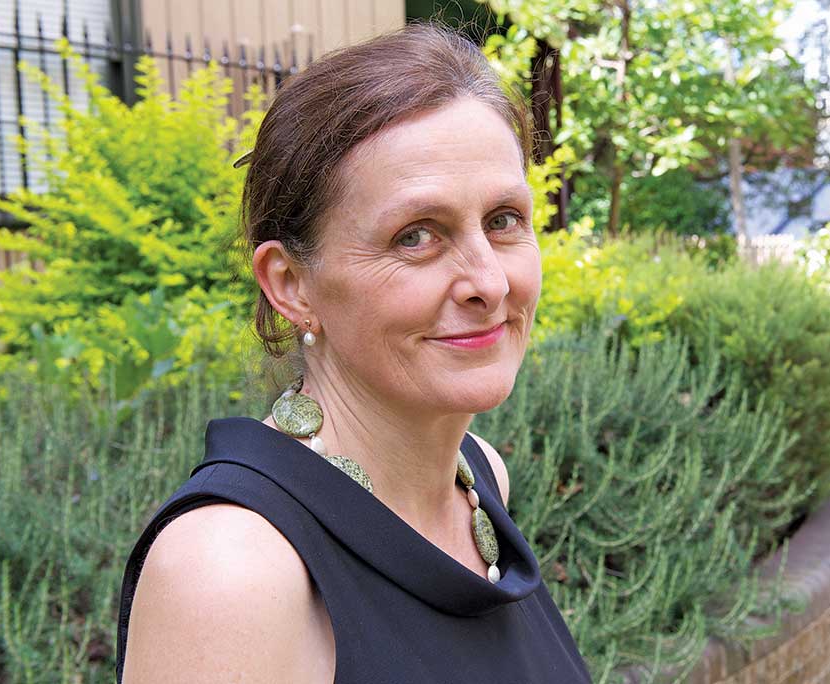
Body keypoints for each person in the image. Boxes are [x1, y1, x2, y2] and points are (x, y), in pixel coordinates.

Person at [115, 21, 592, 684]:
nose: (489, 283)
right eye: (416, 236)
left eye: (503, 220)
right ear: (291, 284)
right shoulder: (231, 571)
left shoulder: (478, 480)